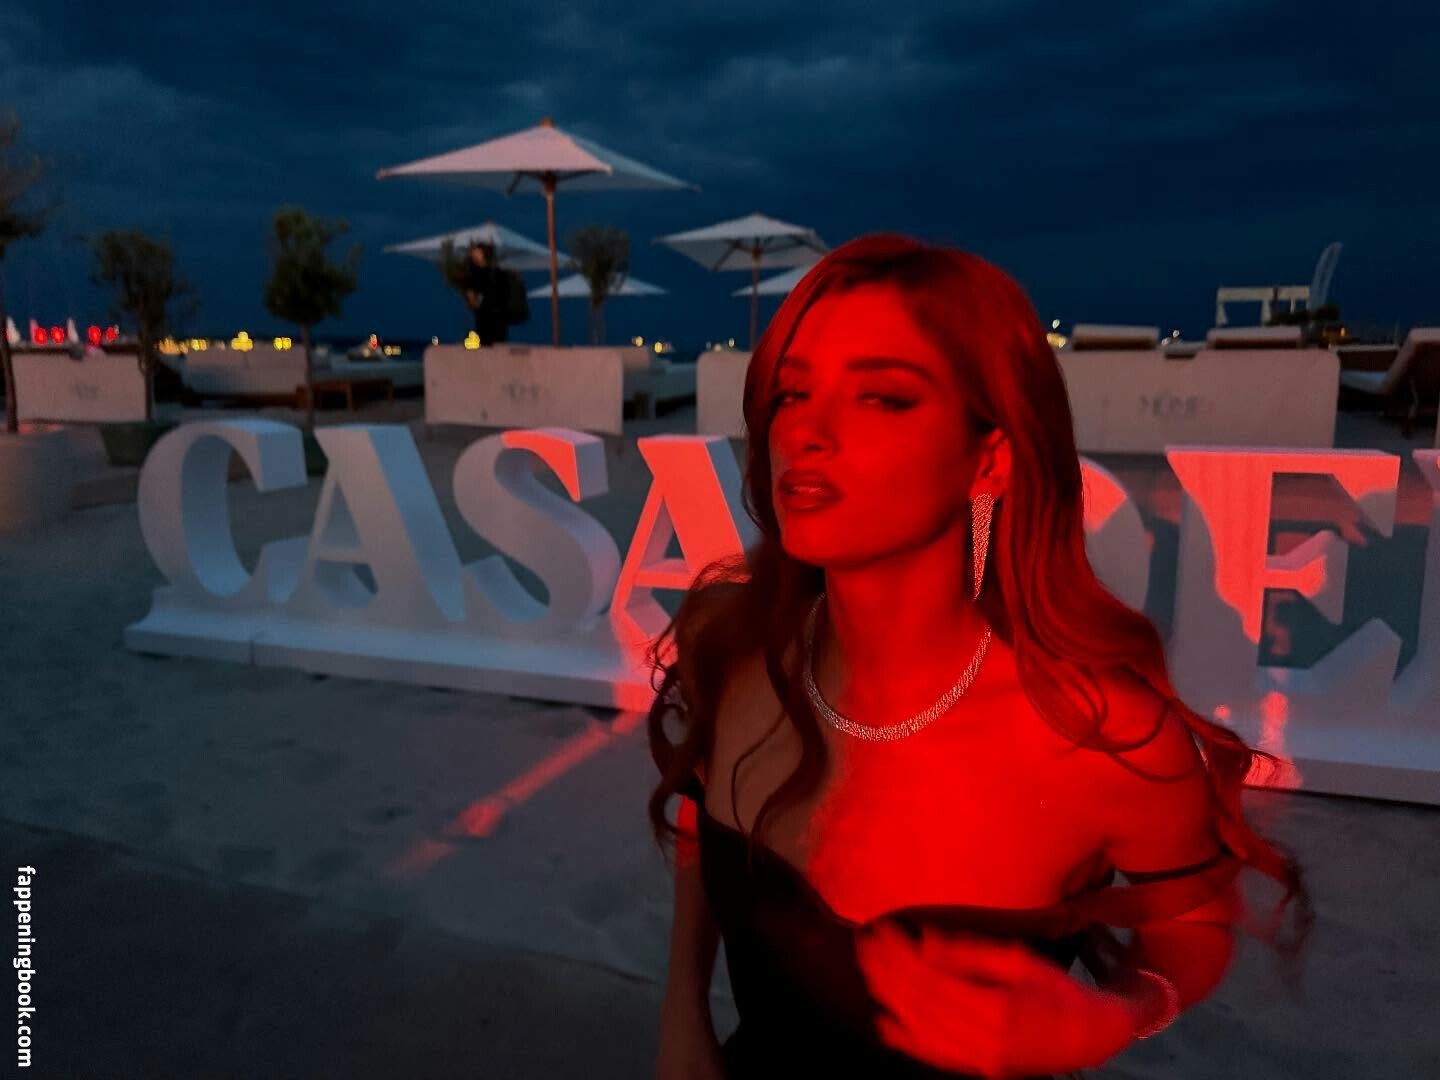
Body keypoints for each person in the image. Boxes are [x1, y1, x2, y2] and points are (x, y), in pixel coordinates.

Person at [645, 234, 1312, 1079]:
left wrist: (1113, 1019)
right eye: (791, 392)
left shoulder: (1109, 738)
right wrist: (683, 1015)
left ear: (990, 458)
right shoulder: (732, 641)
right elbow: (700, 823)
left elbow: (1193, 933)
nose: (806, 430)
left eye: (883, 397)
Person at [464, 240, 510, 345]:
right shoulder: (494, 272)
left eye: (476, 253)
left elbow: (475, 296)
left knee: (489, 343)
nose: (473, 256)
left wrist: (474, 300)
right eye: (473, 253)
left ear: (483, 254)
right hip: (491, 318)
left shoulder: (491, 273)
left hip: (491, 318)